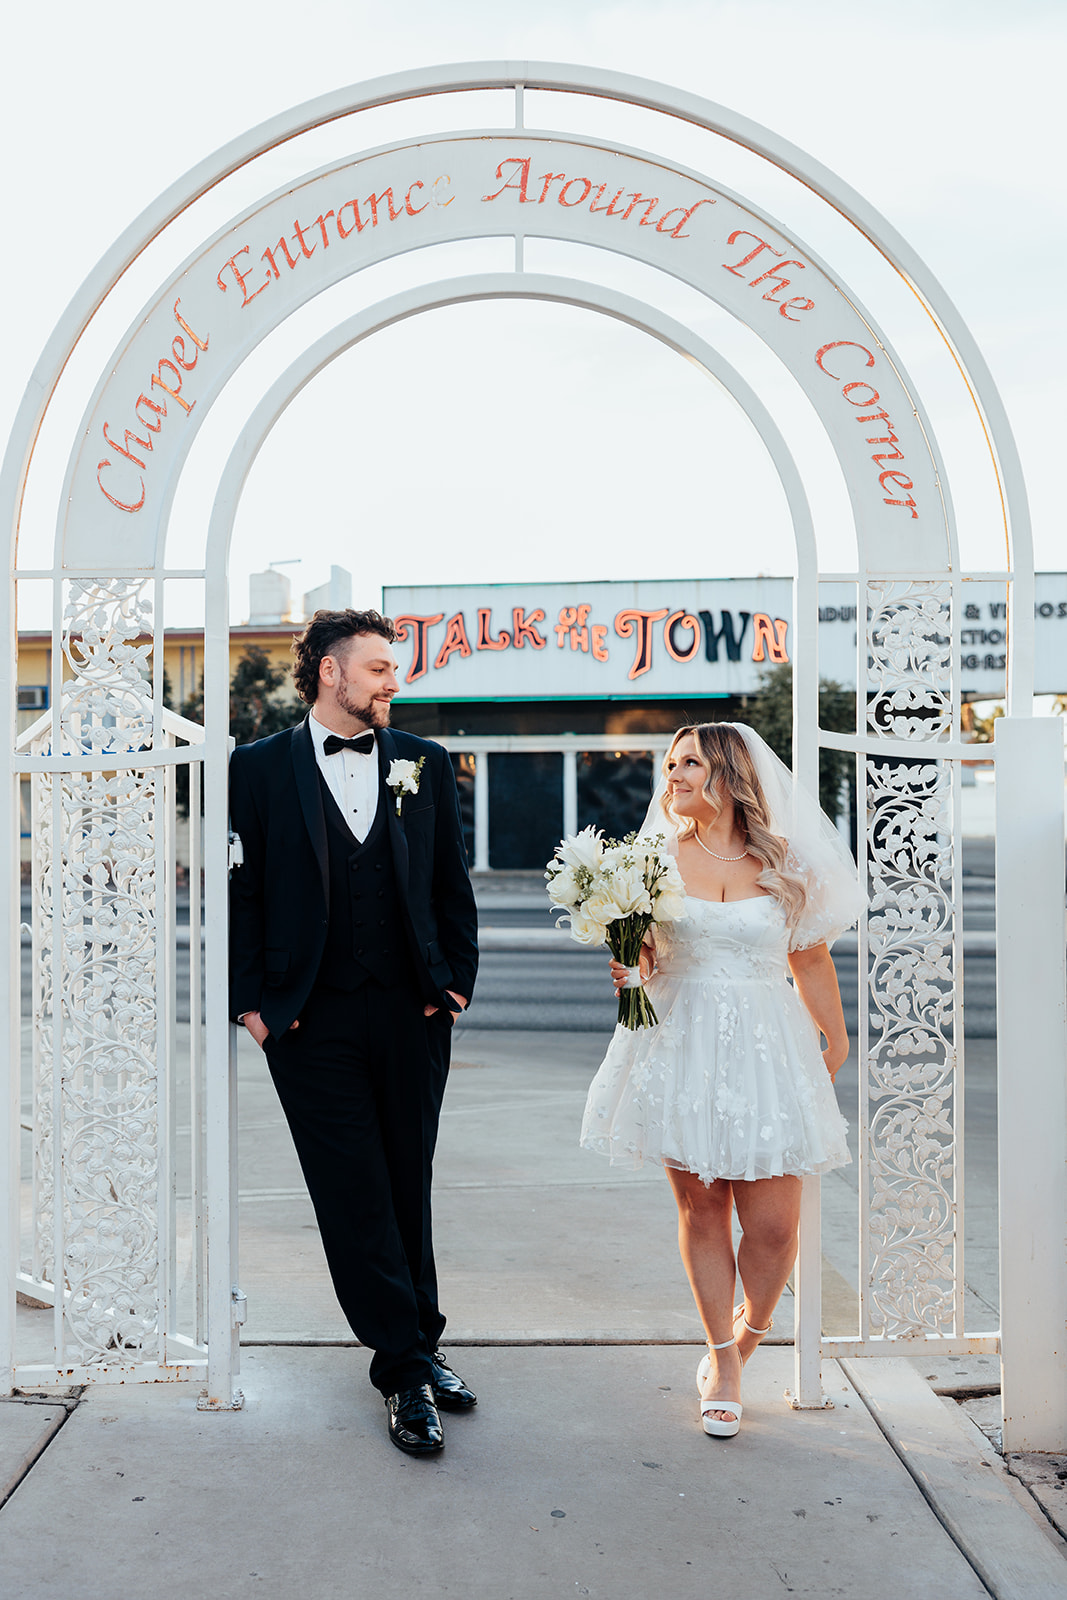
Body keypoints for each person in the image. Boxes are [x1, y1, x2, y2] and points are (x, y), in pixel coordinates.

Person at [228, 608, 479, 1456]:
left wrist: (453, 989)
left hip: (411, 1011)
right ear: (330, 672)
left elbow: (451, 884)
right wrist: (252, 1008)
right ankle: (405, 1371)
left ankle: (420, 1340)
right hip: (307, 1019)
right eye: (378, 668)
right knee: (353, 1191)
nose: (392, 681)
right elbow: (242, 893)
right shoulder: (256, 769)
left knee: (408, 1179)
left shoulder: (425, 763)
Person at [580, 721, 865, 1438]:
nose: (672, 776)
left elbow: (809, 959)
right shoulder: (650, 861)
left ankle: (748, 1336)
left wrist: (833, 1037)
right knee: (701, 1210)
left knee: (773, 1227)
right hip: (682, 1046)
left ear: (729, 776)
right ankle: (721, 1359)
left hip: (770, 1049)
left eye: (689, 765)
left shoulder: (784, 861)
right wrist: (627, 972)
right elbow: (642, 960)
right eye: (670, 763)